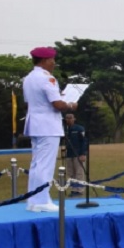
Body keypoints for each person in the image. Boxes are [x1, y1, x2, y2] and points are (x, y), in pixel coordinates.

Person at [23, 47, 78, 212]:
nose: (54, 63)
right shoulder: (48, 79)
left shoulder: (29, 78)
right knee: (45, 165)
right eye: (52, 60)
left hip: (35, 123)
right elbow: (57, 104)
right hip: (48, 125)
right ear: (45, 60)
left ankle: (33, 199)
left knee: (36, 163)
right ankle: (41, 200)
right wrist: (70, 104)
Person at [63, 113, 88, 197]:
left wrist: (83, 153)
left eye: (70, 118)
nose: (69, 120)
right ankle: (73, 189)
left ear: (74, 119)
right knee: (70, 173)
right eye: (67, 118)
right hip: (69, 154)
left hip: (78, 154)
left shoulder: (79, 129)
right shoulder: (64, 129)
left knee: (79, 172)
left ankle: (80, 190)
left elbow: (84, 141)